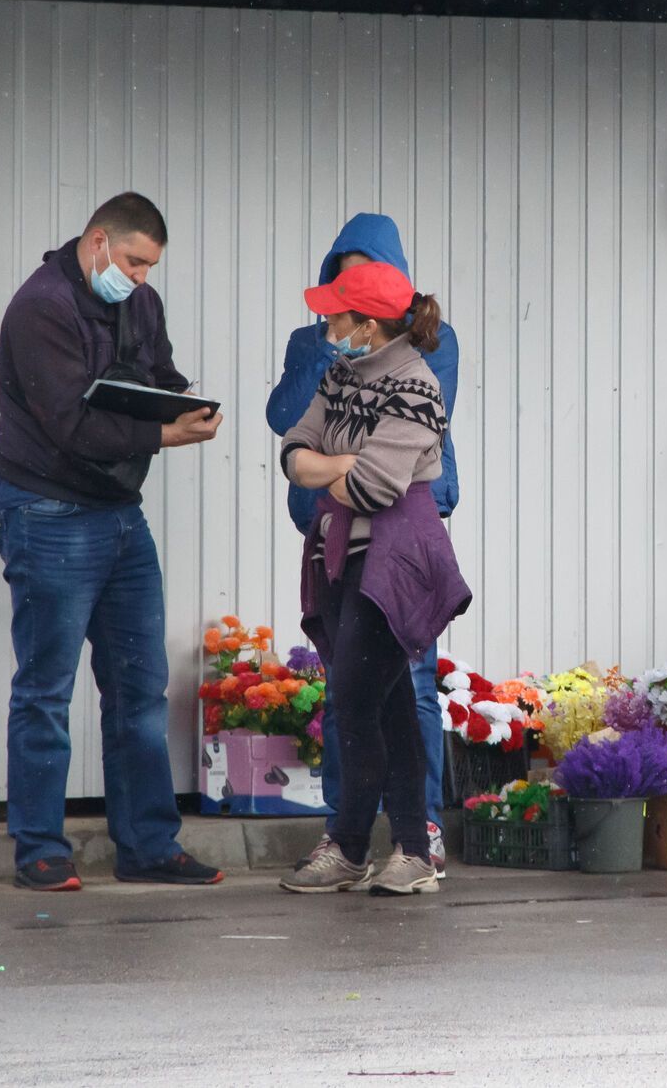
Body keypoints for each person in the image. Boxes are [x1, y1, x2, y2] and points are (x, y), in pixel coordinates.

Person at [0, 192, 226, 892]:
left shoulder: (140, 305)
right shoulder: (41, 307)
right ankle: (39, 848)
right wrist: (162, 432)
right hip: (46, 509)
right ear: (97, 241)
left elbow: (158, 377)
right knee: (46, 688)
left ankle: (148, 844)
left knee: (139, 686)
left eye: (150, 266)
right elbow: (71, 426)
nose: (140, 277)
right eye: (132, 261)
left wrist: (186, 404)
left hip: (119, 513)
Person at [266, 215, 458, 873]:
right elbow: (294, 449)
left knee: (354, 697)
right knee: (391, 699)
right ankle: (410, 848)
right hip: (344, 554)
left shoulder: (416, 384)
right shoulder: (340, 378)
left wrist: (336, 467)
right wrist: (335, 467)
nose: (327, 331)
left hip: (396, 563)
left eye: (338, 318)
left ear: (368, 325)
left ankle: (351, 844)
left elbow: (376, 486)